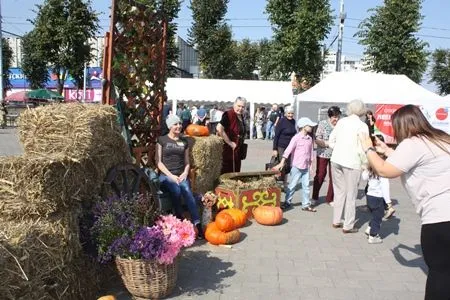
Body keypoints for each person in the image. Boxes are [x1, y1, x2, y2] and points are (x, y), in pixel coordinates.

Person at [359, 104, 450, 299]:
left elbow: (384, 170)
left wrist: (368, 149)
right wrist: (386, 150)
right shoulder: (442, 139)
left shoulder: (413, 143)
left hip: (440, 220)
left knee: (440, 275)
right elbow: (418, 162)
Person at [156, 114, 203, 238]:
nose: (179, 126)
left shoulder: (184, 142)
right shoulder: (162, 140)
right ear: (170, 126)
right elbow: (159, 163)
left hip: (181, 175)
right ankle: (179, 215)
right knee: (175, 189)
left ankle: (197, 223)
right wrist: (171, 176)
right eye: (175, 124)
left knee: (187, 190)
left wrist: (185, 173)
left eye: (180, 124)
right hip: (166, 175)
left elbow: (187, 162)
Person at [328, 99, 368, 233]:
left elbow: (331, 140)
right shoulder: (362, 126)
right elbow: (363, 148)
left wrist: (338, 148)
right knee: (351, 195)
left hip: (336, 159)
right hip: (352, 162)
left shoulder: (341, 122)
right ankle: (348, 225)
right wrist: (365, 163)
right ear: (362, 110)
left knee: (339, 191)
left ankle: (336, 220)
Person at [274, 117, 317, 212]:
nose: (311, 127)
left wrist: (312, 166)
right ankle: (287, 202)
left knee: (306, 187)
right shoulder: (296, 138)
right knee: (292, 185)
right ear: (303, 127)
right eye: (309, 126)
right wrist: (282, 162)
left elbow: (311, 153)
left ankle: (305, 204)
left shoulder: (310, 139)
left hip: (306, 167)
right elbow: (288, 150)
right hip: (296, 166)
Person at [312, 106, 341, 207]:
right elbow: (317, 138)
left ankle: (330, 198)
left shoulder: (340, 125)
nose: (336, 119)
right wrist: (328, 144)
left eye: (337, 117)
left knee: (334, 176)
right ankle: (314, 196)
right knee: (320, 174)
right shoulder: (323, 124)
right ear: (330, 116)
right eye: (334, 117)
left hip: (336, 154)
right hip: (323, 153)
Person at [361, 155, 390, 244]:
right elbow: (385, 188)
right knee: (378, 217)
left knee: (374, 214)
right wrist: (388, 201)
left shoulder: (370, 171)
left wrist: (366, 168)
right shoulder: (383, 174)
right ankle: (373, 236)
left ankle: (370, 228)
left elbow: (363, 177)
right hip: (378, 197)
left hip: (369, 196)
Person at [217, 97, 247, 174]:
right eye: (238, 106)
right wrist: (229, 142)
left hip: (237, 151)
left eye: (242, 107)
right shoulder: (228, 114)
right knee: (227, 173)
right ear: (234, 105)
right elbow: (219, 128)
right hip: (228, 151)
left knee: (236, 172)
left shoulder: (241, 116)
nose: (240, 108)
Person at [272, 106, 297, 188]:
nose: (290, 115)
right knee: (281, 165)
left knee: (288, 166)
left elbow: (294, 133)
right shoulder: (281, 121)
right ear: (285, 113)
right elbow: (276, 136)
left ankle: (284, 183)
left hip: (290, 146)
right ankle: (276, 181)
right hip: (281, 146)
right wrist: (274, 149)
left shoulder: (293, 121)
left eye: (292, 113)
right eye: (289, 113)